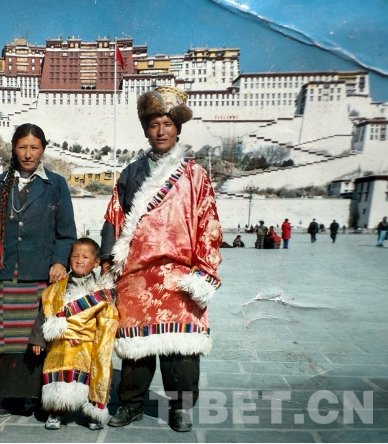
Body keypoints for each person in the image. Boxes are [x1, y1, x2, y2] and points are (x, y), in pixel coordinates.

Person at [100, 86, 222, 433]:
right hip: (136, 274)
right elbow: (114, 216)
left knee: (181, 350)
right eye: (154, 124)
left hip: (179, 272)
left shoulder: (195, 174)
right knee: (135, 347)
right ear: (146, 130)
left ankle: (181, 408)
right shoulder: (130, 173)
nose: (161, 131)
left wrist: (204, 271)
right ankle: (131, 404)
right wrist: (108, 260)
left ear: (177, 129)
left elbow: (208, 223)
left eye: (167, 124)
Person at [0, 123, 77, 419]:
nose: (28, 154)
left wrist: (59, 262)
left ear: (43, 149)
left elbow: (66, 233)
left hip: (41, 277)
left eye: (34, 147)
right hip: (4, 276)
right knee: (4, 343)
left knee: (37, 341)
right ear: (14, 148)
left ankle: (40, 397)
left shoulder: (56, 185)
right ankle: (8, 397)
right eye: (22, 147)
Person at [28, 238, 118, 431]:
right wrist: (38, 339)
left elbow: (107, 322)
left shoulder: (100, 291)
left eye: (85, 257)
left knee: (90, 378)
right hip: (60, 344)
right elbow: (44, 313)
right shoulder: (56, 289)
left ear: (96, 262)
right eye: (75, 256)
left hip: (88, 345)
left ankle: (92, 413)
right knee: (59, 381)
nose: (79, 260)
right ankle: (56, 411)